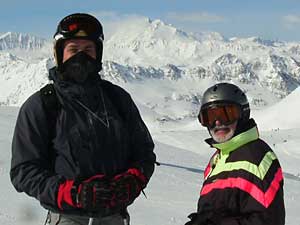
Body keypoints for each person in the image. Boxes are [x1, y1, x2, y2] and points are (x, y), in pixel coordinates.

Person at [10, 13, 156, 225]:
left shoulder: (117, 99)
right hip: (68, 217)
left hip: (114, 217)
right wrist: (73, 193)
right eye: (73, 50)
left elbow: (144, 153)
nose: (81, 57)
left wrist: (132, 180)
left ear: (98, 55)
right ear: (60, 54)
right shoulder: (42, 105)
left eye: (88, 50)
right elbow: (23, 171)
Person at [184, 83, 285, 225]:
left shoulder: (256, 158)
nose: (217, 122)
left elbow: (267, 220)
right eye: (210, 117)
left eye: (227, 114)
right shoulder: (218, 160)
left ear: (243, 114)